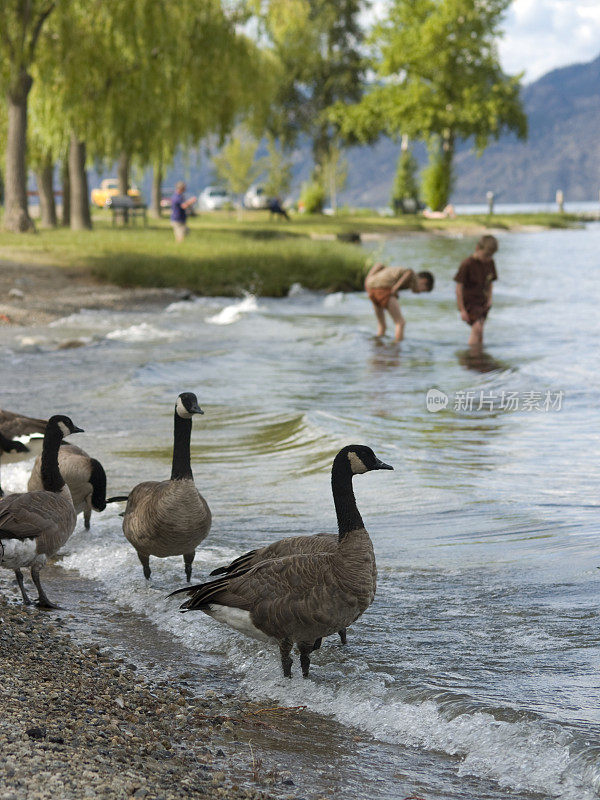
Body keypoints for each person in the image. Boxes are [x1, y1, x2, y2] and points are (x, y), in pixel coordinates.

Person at [364, 262, 435, 342]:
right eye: (423, 290)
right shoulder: (414, 277)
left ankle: (378, 346)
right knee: (400, 323)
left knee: (382, 325)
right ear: (424, 281)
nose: (419, 293)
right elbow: (409, 272)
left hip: (371, 290)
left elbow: (379, 265)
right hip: (383, 288)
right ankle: (397, 348)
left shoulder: (394, 273)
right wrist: (395, 288)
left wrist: (367, 281)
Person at [454, 234, 498, 347]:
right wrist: (462, 309)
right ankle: (471, 358)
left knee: (480, 330)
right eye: (486, 255)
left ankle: (479, 356)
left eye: (491, 256)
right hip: (470, 302)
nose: (487, 258)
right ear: (478, 248)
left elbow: (490, 283)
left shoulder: (490, 262)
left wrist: (489, 299)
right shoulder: (467, 264)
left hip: (482, 301)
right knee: (477, 328)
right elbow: (458, 288)